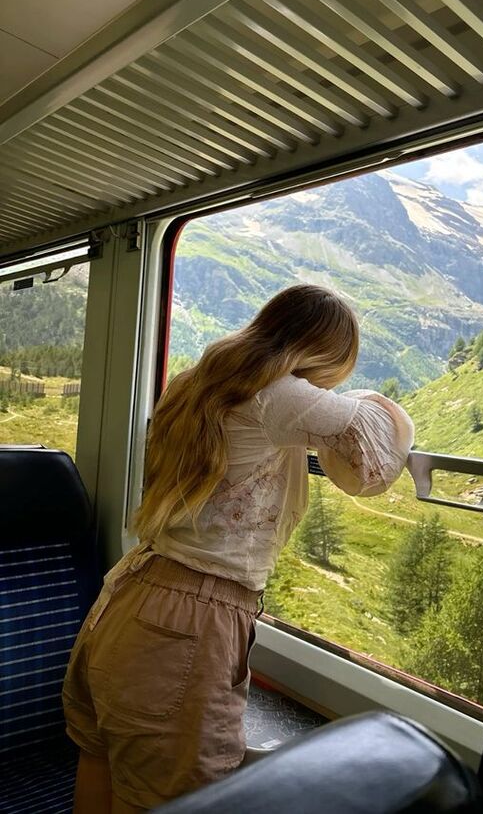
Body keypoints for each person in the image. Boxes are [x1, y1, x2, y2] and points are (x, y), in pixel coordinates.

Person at [62, 284, 414, 813]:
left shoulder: (195, 382)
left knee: (102, 759)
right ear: (321, 355)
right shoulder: (281, 397)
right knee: (168, 798)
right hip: (190, 621)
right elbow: (376, 460)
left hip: (133, 595)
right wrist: (358, 398)